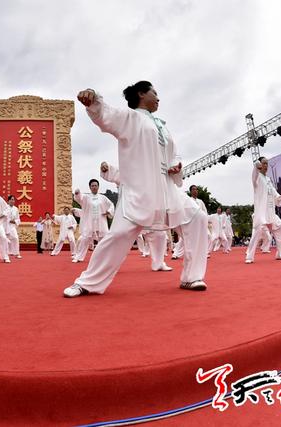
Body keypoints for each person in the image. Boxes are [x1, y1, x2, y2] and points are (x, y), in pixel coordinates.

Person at [64, 82, 208, 298]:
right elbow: (107, 114)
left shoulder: (162, 125)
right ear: (141, 94)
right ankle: (87, 282)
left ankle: (192, 277)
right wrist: (94, 99)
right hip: (140, 189)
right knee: (120, 233)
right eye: (155, 93)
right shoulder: (131, 118)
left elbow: (174, 153)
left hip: (167, 187)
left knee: (198, 217)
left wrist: (176, 165)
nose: (158, 98)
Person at [100, 161, 171, 272]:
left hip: (148, 210)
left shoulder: (151, 175)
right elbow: (114, 172)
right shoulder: (128, 173)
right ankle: (107, 266)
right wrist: (106, 167)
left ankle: (159, 263)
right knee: (118, 236)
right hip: (129, 211)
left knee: (159, 235)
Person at [245, 157, 281, 264]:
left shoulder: (268, 179)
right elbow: (254, 173)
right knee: (256, 234)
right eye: (264, 163)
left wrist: (279, 197)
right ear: (260, 165)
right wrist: (257, 165)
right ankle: (249, 256)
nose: (266, 166)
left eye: (267, 164)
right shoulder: (257, 178)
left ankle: (280, 253)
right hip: (261, 212)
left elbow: (273, 192)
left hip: (271, 212)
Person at [72, 179, 114, 263]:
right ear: (90, 187)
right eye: (92, 186)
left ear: (98, 187)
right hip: (89, 221)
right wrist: (77, 192)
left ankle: (105, 258)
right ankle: (79, 257)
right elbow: (79, 198)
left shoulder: (103, 198)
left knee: (104, 239)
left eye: (96, 185)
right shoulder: (86, 197)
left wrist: (109, 211)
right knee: (85, 239)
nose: (94, 187)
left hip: (101, 221)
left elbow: (111, 205)